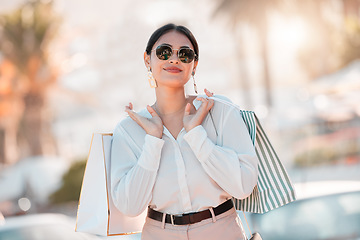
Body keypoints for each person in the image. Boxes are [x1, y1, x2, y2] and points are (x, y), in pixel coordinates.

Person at [110, 23, 259, 240]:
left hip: (220, 231)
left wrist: (197, 135)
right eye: (164, 52)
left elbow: (243, 186)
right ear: (147, 60)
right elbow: (130, 206)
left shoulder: (221, 113)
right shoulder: (129, 130)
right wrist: (152, 141)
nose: (174, 59)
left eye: (185, 54)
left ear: (194, 65)